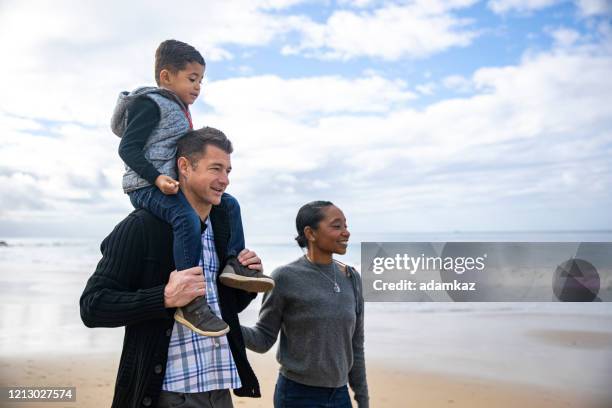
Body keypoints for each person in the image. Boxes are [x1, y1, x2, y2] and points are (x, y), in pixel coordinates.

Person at [81, 127, 262, 408]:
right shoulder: (141, 226)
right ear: (184, 167)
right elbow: (92, 306)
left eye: (228, 171)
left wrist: (244, 281)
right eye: (215, 169)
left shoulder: (223, 225)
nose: (224, 180)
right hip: (167, 392)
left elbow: (225, 307)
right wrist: (164, 297)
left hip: (220, 387)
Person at [111, 39, 273, 337]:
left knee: (231, 203)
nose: (198, 87)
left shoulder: (177, 107)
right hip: (145, 186)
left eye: (201, 80)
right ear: (166, 77)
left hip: (168, 183)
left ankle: (233, 265)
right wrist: (156, 178)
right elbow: (128, 148)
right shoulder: (150, 104)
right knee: (184, 218)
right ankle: (191, 302)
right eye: (192, 78)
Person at [241, 201, 369, 408]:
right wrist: (224, 324)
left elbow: (356, 345)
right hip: (297, 396)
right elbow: (262, 339)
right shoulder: (284, 277)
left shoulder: (352, 279)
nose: (346, 233)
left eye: (346, 226)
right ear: (310, 233)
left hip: (340, 396)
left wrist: (363, 400)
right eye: (337, 226)